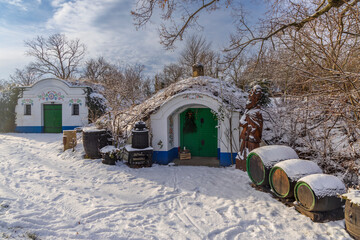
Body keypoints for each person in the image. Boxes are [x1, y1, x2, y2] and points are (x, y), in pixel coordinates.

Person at [238, 85, 263, 162]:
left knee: (253, 151)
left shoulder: (257, 111)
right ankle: (242, 158)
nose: (249, 102)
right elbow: (241, 122)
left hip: (253, 136)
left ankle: (252, 162)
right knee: (243, 151)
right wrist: (245, 125)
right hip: (246, 134)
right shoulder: (247, 111)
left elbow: (259, 124)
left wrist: (253, 129)